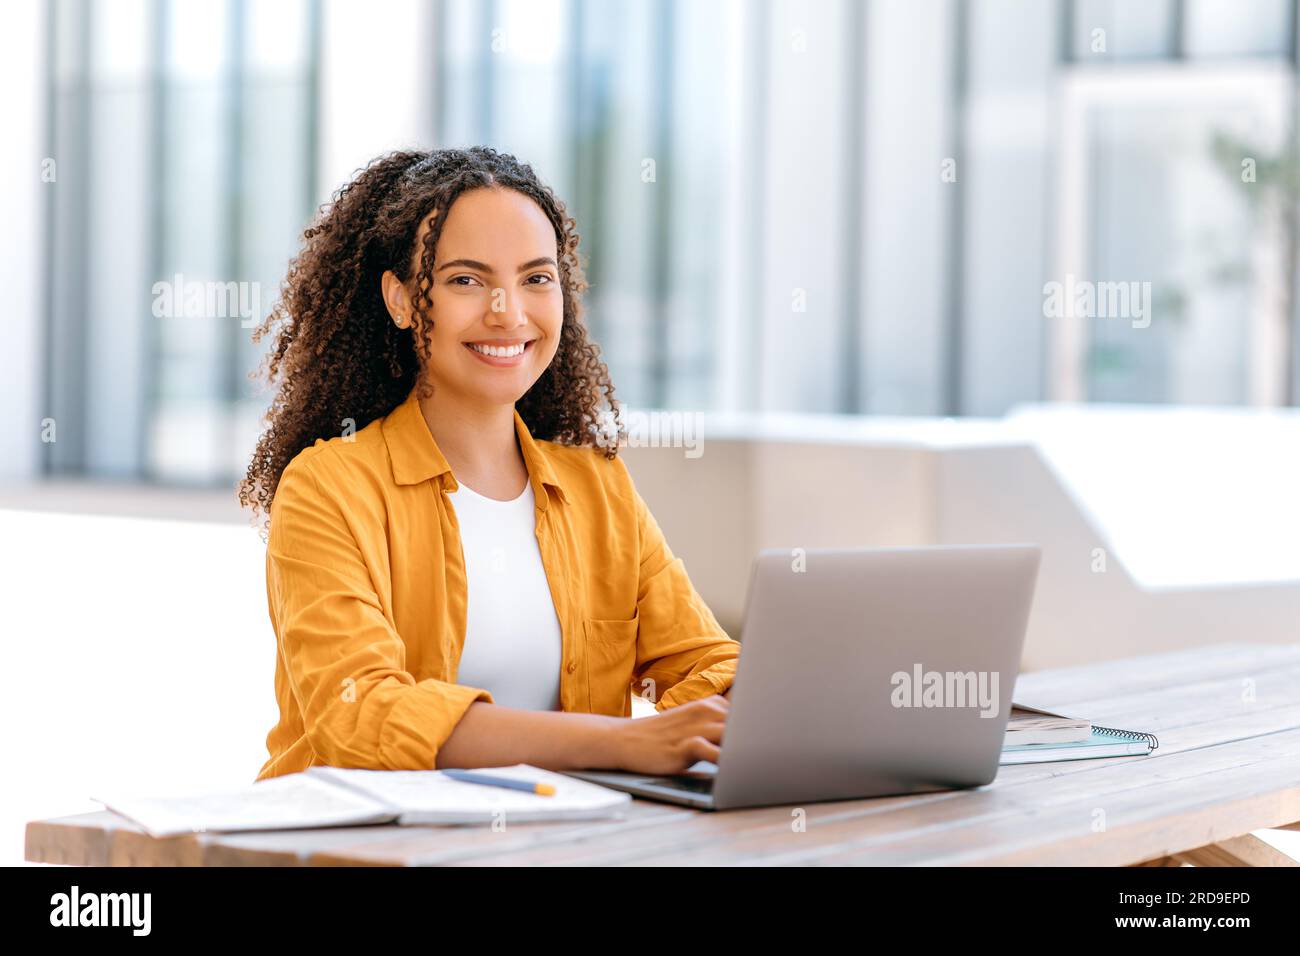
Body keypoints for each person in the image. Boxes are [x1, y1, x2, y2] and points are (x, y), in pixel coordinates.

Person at [238, 146, 738, 781]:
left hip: (562, 842)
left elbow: (704, 664)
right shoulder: (326, 488)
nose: (508, 312)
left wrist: (755, 701)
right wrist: (620, 742)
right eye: (466, 280)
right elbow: (361, 712)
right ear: (399, 299)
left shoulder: (597, 487)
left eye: (536, 278)